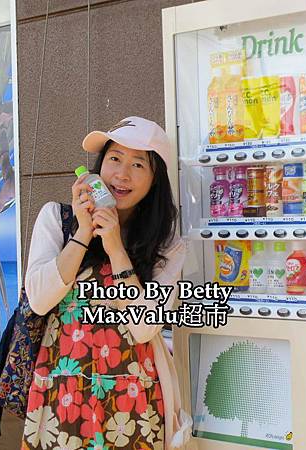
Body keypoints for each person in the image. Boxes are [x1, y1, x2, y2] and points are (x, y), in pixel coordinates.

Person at [21, 117, 191, 450]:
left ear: (155, 179)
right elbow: (39, 300)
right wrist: (83, 232)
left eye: (137, 164)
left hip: (132, 399)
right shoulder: (57, 219)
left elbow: (145, 327)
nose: (121, 174)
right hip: (62, 391)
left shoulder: (167, 244)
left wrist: (115, 247)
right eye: (114, 158)